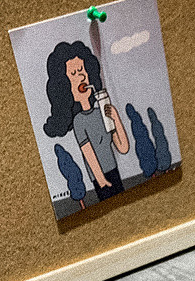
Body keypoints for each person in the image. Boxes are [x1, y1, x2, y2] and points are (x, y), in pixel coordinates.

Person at [43, 41, 130, 202]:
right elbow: (88, 153)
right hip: (100, 179)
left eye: (82, 70)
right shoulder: (79, 122)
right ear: (64, 86)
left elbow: (123, 147)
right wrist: (101, 180)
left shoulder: (100, 113)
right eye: (73, 74)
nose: (81, 76)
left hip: (114, 172)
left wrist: (116, 118)